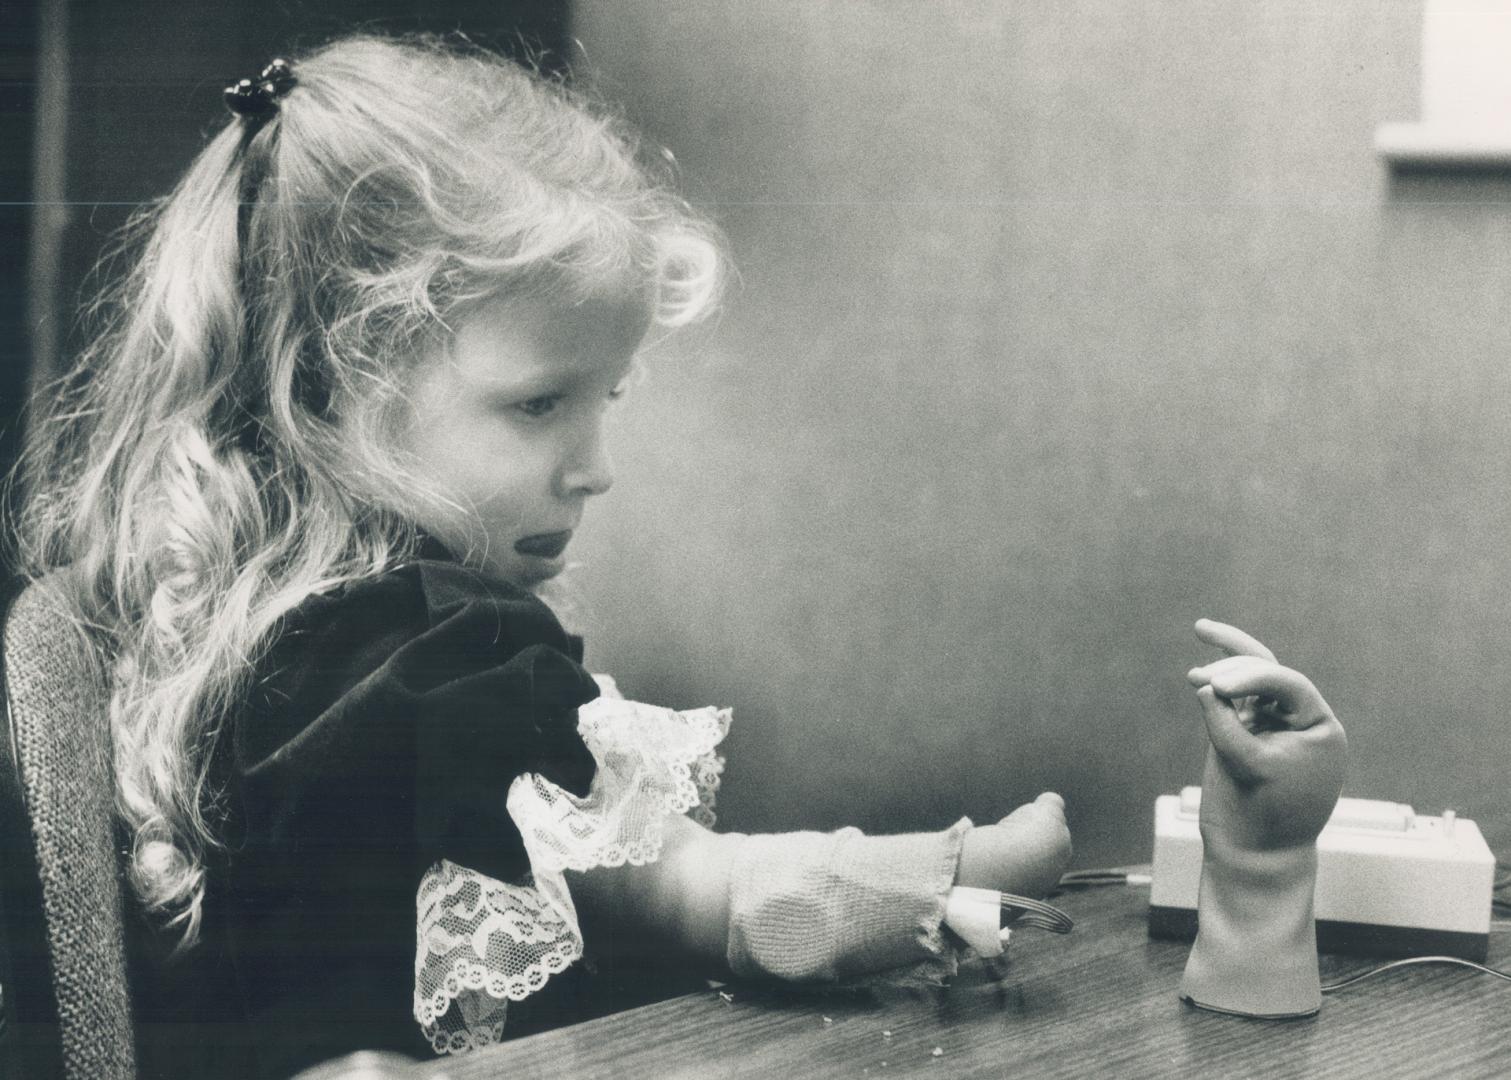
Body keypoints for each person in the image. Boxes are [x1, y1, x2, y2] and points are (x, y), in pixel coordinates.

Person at [11, 34, 1071, 1080]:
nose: (593, 468)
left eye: (601, 399)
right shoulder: (423, 654)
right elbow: (734, 903)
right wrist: (946, 877)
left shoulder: (251, 627)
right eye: (538, 404)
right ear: (333, 385)